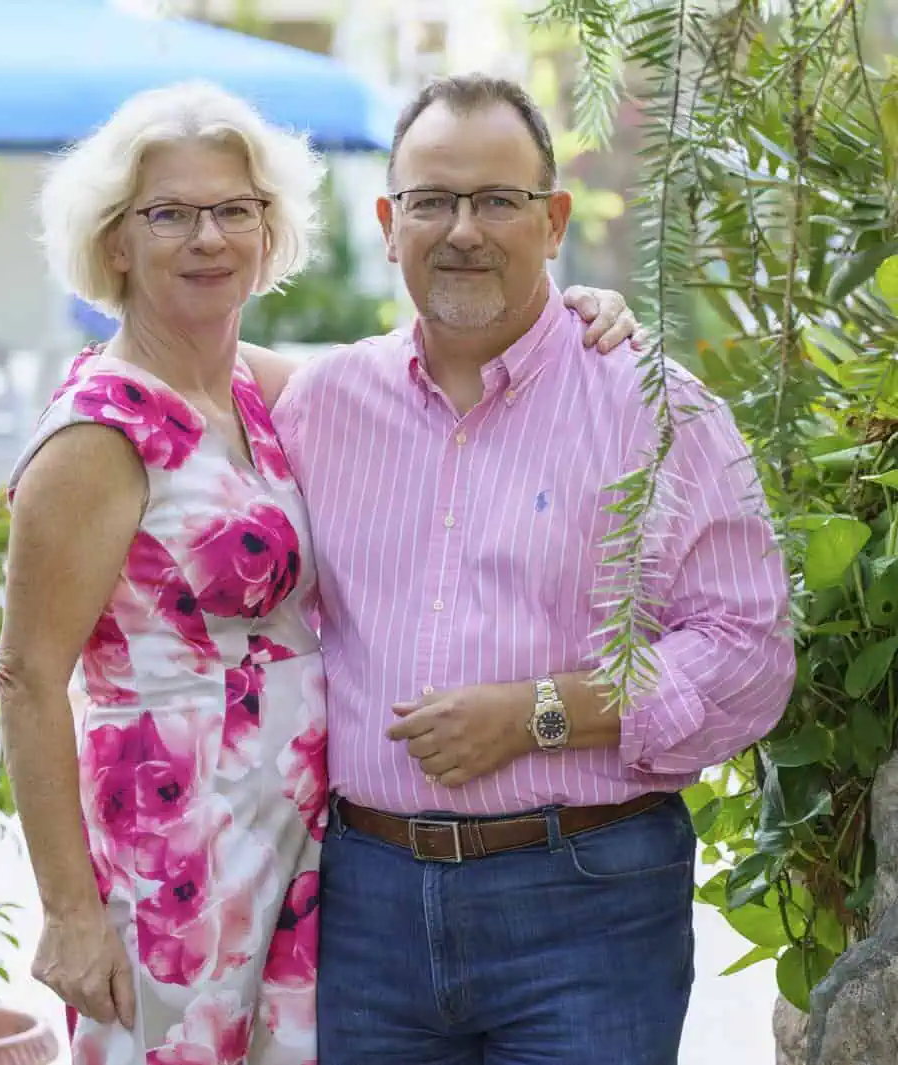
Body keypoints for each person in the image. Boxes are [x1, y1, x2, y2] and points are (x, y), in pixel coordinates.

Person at [0, 81, 638, 1065]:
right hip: (170, 859)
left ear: (269, 231)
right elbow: (26, 677)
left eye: (234, 211)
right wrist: (68, 914)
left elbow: (417, 372)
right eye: (169, 213)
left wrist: (570, 312)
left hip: (295, 842)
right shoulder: (98, 433)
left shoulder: (255, 388)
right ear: (113, 241)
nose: (208, 238)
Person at [260, 74, 796, 1065]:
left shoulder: (655, 409)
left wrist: (539, 712)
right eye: (432, 201)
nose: (463, 229)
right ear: (387, 223)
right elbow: (175, 364)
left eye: (497, 201)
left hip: (587, 899)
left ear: (552, 222)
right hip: (364, 904)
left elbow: (748, 654)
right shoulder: (319, 407)